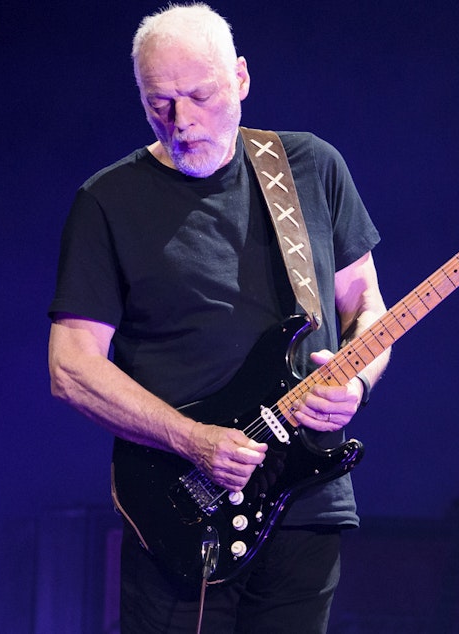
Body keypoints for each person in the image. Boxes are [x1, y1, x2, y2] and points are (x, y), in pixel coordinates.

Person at [47, 3, 390, 633]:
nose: (181, 122)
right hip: (178, 508)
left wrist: (357, 381)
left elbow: (366, 307)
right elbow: (71, 368)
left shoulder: (311, 167)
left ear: (240, 79)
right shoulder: (107, 201)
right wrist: (190, 439)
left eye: (200, 96)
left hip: (305, 498)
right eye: (159, 103)